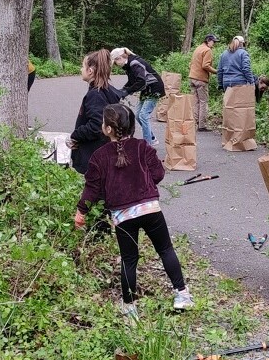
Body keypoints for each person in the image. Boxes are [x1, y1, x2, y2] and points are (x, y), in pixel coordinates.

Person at [74, 103, 194, 318]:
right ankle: (182, 295)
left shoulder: (99, 156)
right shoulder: (142, 147)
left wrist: (81, 212)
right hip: (150, 209)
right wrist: (145, 182)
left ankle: (130, 308)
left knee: (129, 259)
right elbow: (158, 173)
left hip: (123, 216)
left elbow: (91, 188)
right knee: (165, 249)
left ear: (108, 129)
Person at [68, 49, 122, 174]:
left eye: (82, 66)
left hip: (92, 155)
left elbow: (97, 125)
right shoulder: (108, 90)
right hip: (103, 153)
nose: (80, 69)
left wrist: (75, 136)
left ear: (90, 71)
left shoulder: (95, 95)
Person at [110, 47, 165, 146]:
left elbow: (141, 81)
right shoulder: (128, 65)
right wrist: (121, 91)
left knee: (143, 115)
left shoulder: (134, 63)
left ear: (119, 58)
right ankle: (151, 138)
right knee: (138, 115)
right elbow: (132, 81)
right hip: (147, 89)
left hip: (154, 88)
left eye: (115, 62)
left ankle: (147, 145)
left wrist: (127, 91)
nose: (116, 65)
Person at [188, 34, 219, 131]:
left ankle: (194, 123)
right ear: (208, 41)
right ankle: (202, 125)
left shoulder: (198, 48)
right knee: (203, 102)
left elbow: (191, 63)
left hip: (192, 77)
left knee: (195, 102)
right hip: (201, 79)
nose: (214, 44)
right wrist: (217, 71)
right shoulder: (207, 50)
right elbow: (205, 65)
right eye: (213, 42)